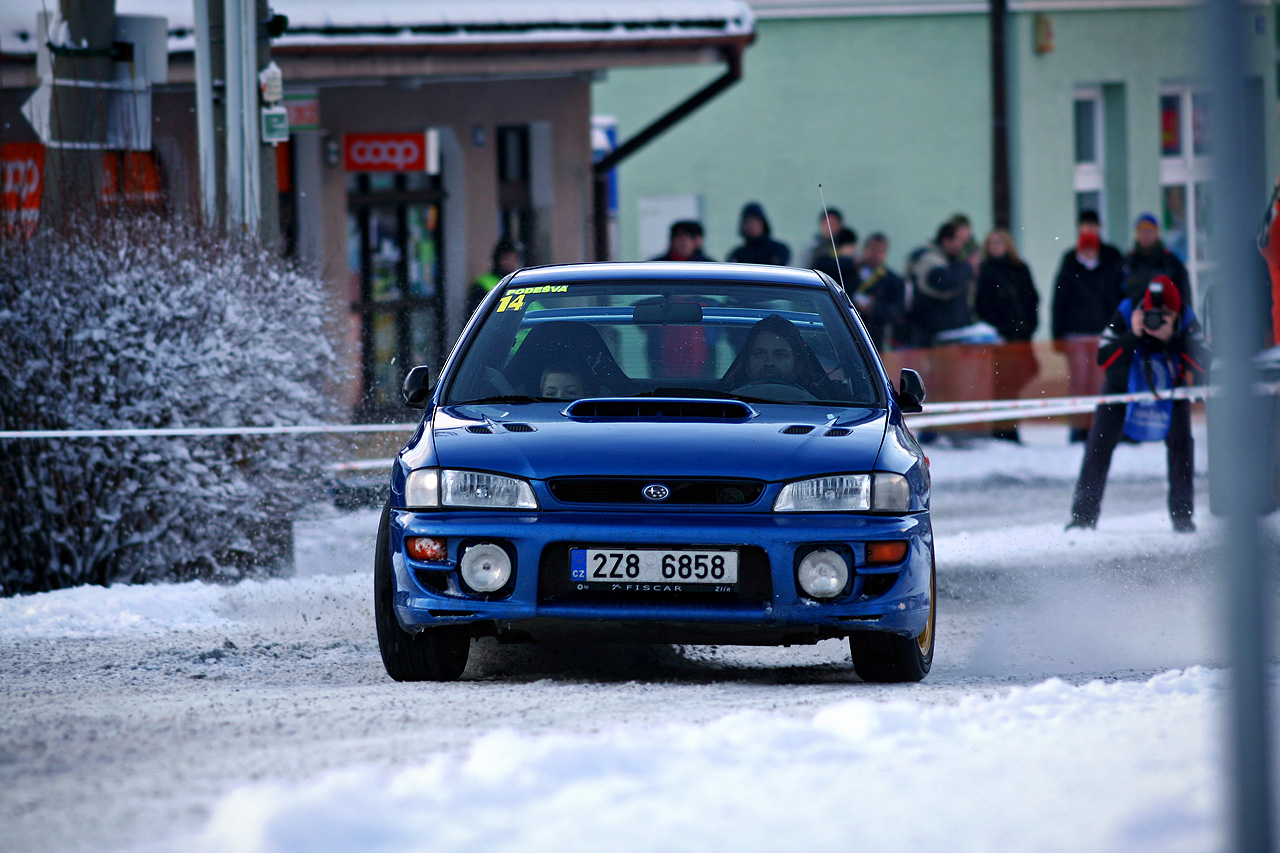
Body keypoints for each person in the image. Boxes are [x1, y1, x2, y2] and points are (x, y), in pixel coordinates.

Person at [1067, 275, 1210, 533]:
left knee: (1182, 446)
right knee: (1098, 444)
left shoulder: (1185, 317)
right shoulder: (1127, 309)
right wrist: (1132, 336)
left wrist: (1174, 338)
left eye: (1164, 314)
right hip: (1123, 387)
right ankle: (1083, 518)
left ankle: (1183, 517)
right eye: (1152, 313)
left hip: (1171, 387)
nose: (1156, 318)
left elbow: (1204, 364)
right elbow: (1104, 357)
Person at [1052, 210, 1126, 442]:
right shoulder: (1070, 259)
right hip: (1076, 333)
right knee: (1079, 382)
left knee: (1099, 382)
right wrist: (1058, 332)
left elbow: (1117, 294)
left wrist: (1117, 328)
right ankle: (1078, 429)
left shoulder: (1111, 257)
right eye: (1085, 226)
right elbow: (1060, 298)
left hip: (1101, 331)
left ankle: (1099, 427)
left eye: (1092, 225)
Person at [975, 229, 1040, 441]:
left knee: (1019, 379)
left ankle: (1011, 427)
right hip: (999, 339)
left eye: (998, 242)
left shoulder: (1020, 269)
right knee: (1002, 385)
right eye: (991, 243)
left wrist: (1027, 326)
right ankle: (1002, 430)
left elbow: (1032, 300)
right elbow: (983, 305)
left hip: (1021, 336)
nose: (995, 247)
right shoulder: (986, 271)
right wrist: (999, 329)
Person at [721, 314, 844, 399]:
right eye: (759, 354)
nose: (769, 363)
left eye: (780, 355)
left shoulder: (827, 410)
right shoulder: (721, 409)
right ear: (746, 362)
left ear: (797, 363)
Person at [902, 221, 976, 346]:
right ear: (946, 240)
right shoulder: (929, 259)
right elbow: (944, 284)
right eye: (959, 239)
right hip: (932, 333)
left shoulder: (951, 260)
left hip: (950, 332)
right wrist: (968, 267)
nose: (962, 244)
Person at [852, 232, 905, 351]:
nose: (875, 254)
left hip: (875, 338)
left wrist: (873, 308)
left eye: (880, 251)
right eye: (873, 249)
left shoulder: (892, 280)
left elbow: (896, 312)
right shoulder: (850, 271)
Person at [1122, 213, 1190, 304]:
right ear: (1136, 234)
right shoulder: (1127, 262)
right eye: (1142, 231)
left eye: (1150, 231)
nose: (1146, 235)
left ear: (1157, 233)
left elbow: (1184, 293)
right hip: (1133, 316)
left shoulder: (1171, 262)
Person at [467, 239, 522, 316]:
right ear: (498, 260)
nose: (512, 263)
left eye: (515, 259)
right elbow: (476, 316)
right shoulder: (483, 284)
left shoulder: (522, 282)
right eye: (508, 258)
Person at [727, 202, 790, 266]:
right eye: (748, 221)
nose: (751, 225)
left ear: (763, 223)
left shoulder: (778, 250)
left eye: (755, 221)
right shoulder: (737, 255)